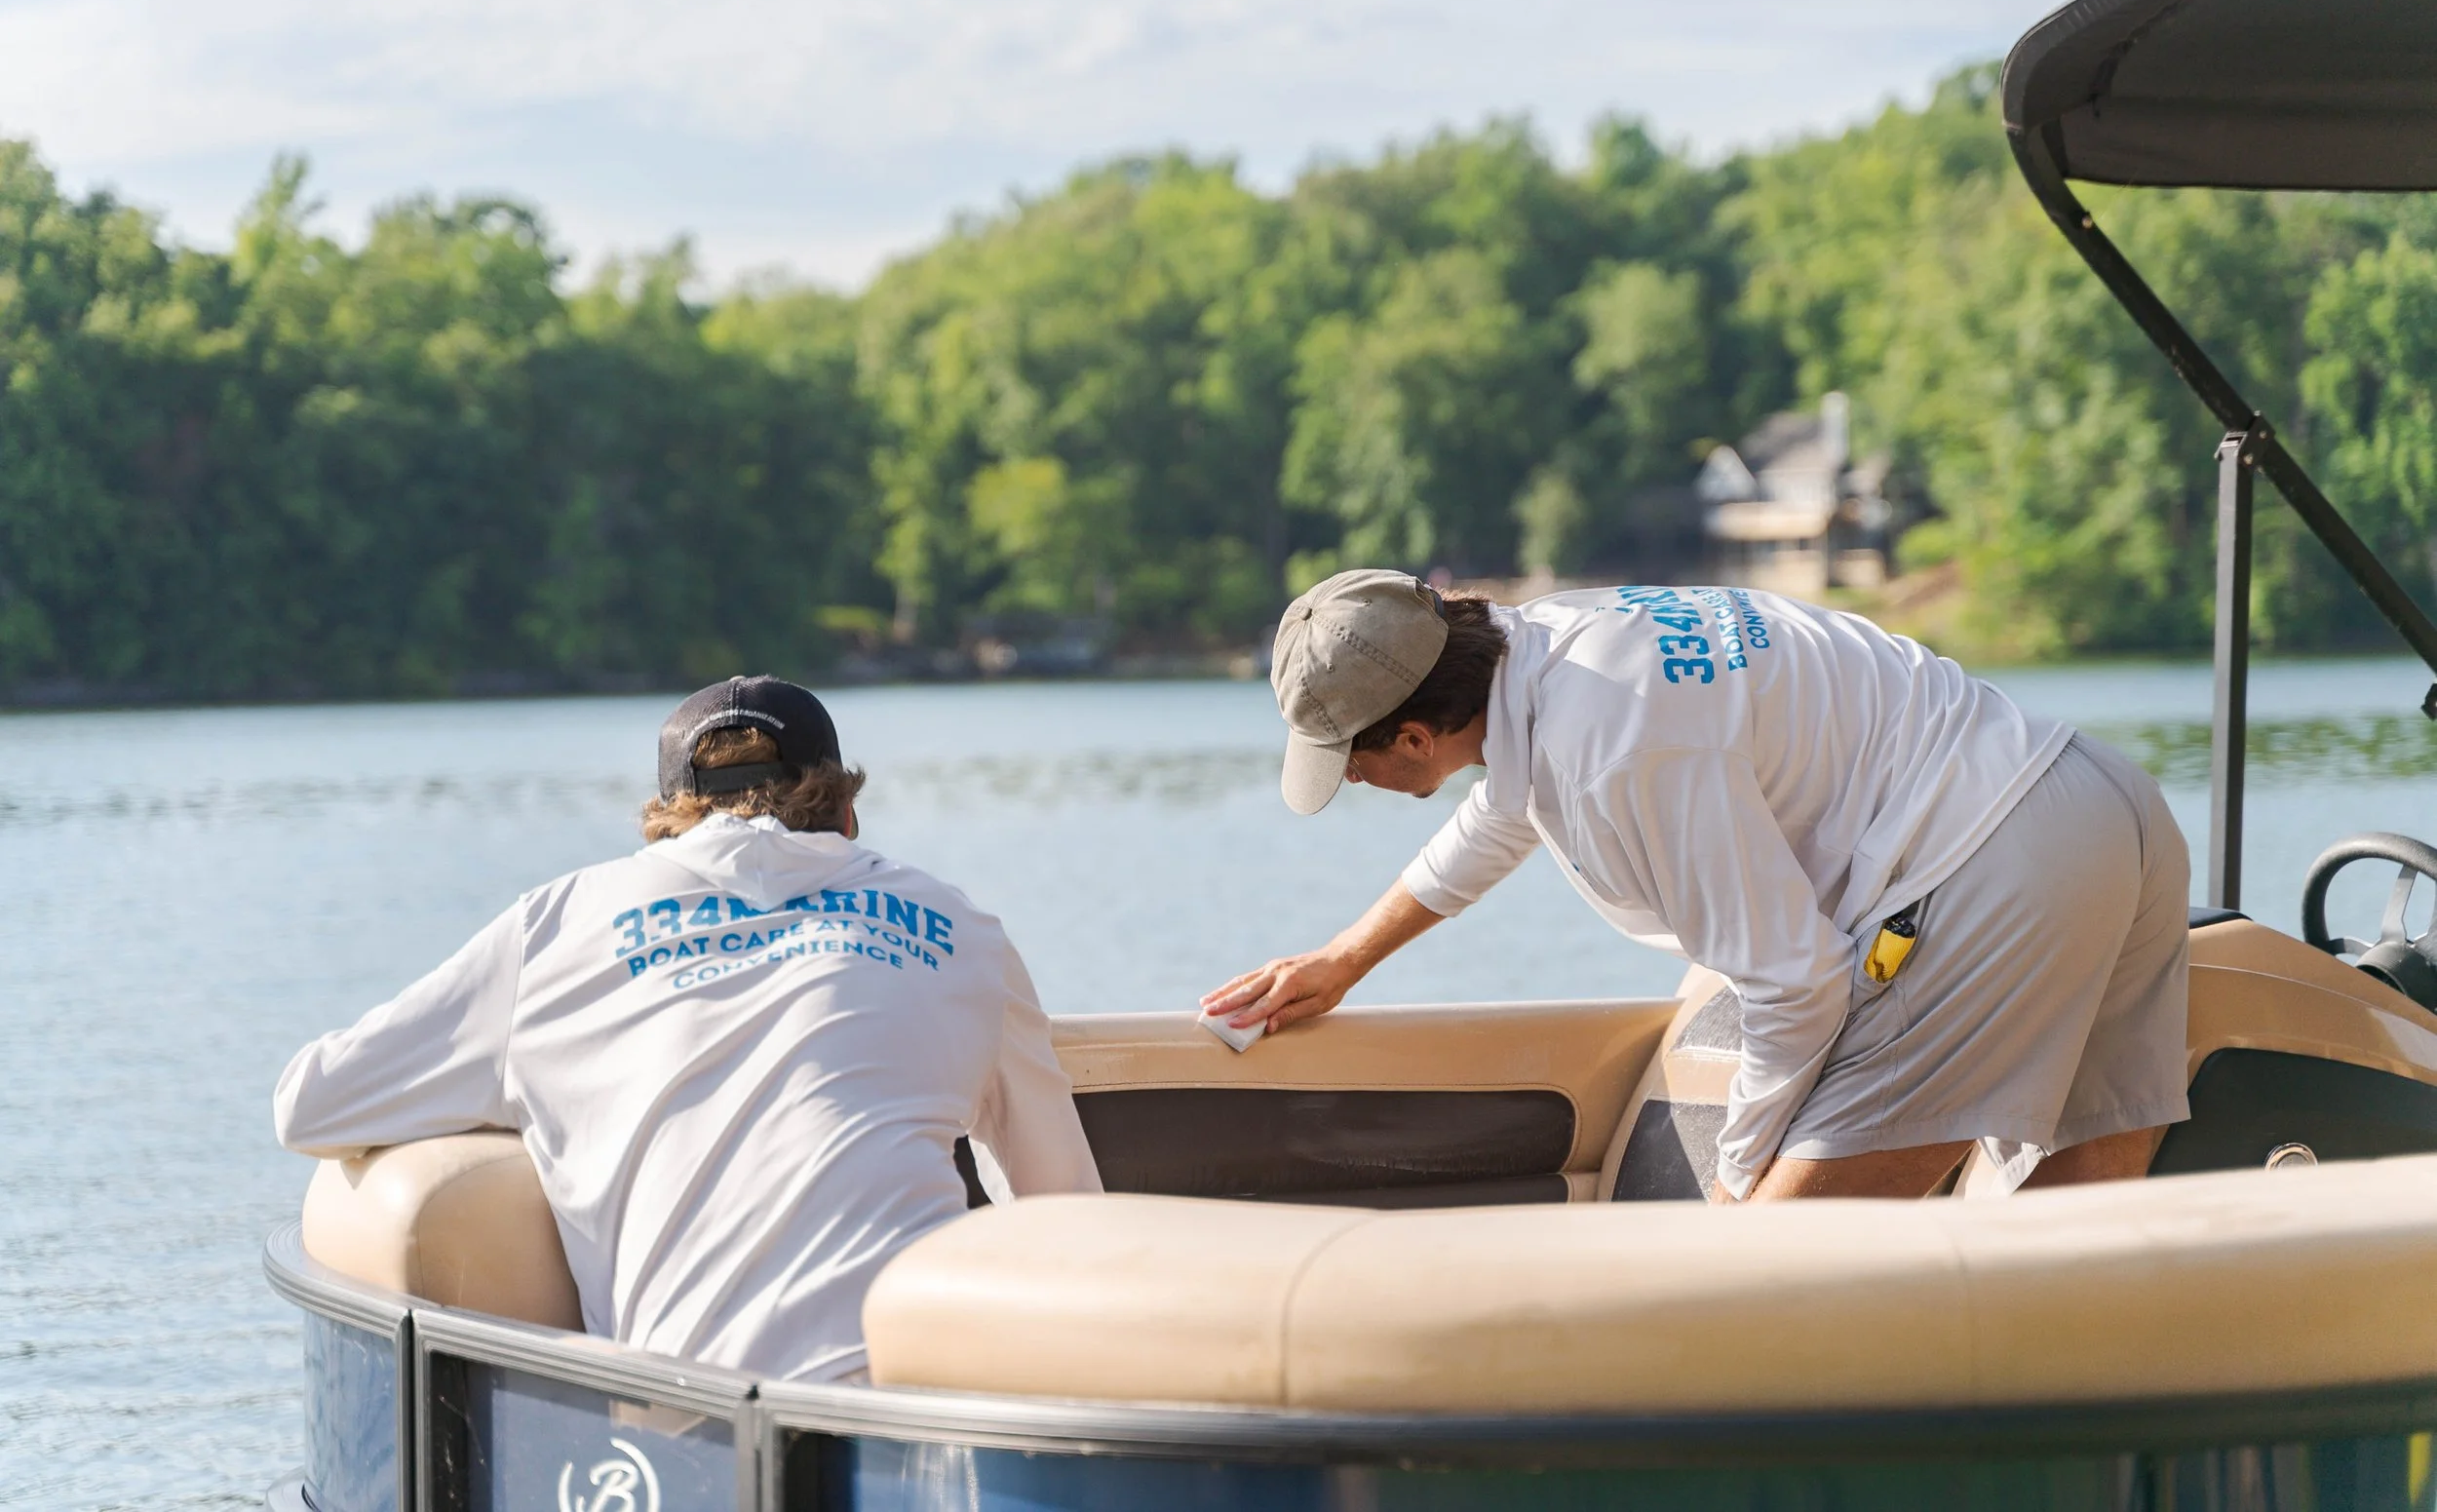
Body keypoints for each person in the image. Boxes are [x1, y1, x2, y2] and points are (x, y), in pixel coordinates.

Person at [1203, 571, 2189, 1202]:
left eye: (1351, 763)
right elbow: (1506, 810)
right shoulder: (1557, 638)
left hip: (1982, 862)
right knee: (2085, 1218)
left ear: (1416, 738)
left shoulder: (1612, 752)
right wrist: (1345, 958)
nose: (1355, 785)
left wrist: (1735, 1174)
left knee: (1773, 1280)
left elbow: (1796, 981)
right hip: (2100, 800)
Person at [274, 676, 1100, 1380]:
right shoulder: (961, 927)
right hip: (917, 1417)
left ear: (667, 818)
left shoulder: (561, 925)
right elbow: (1066, 1215)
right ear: (846, 811)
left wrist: (548, 1091)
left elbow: (310, 1106)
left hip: (688, 1433)